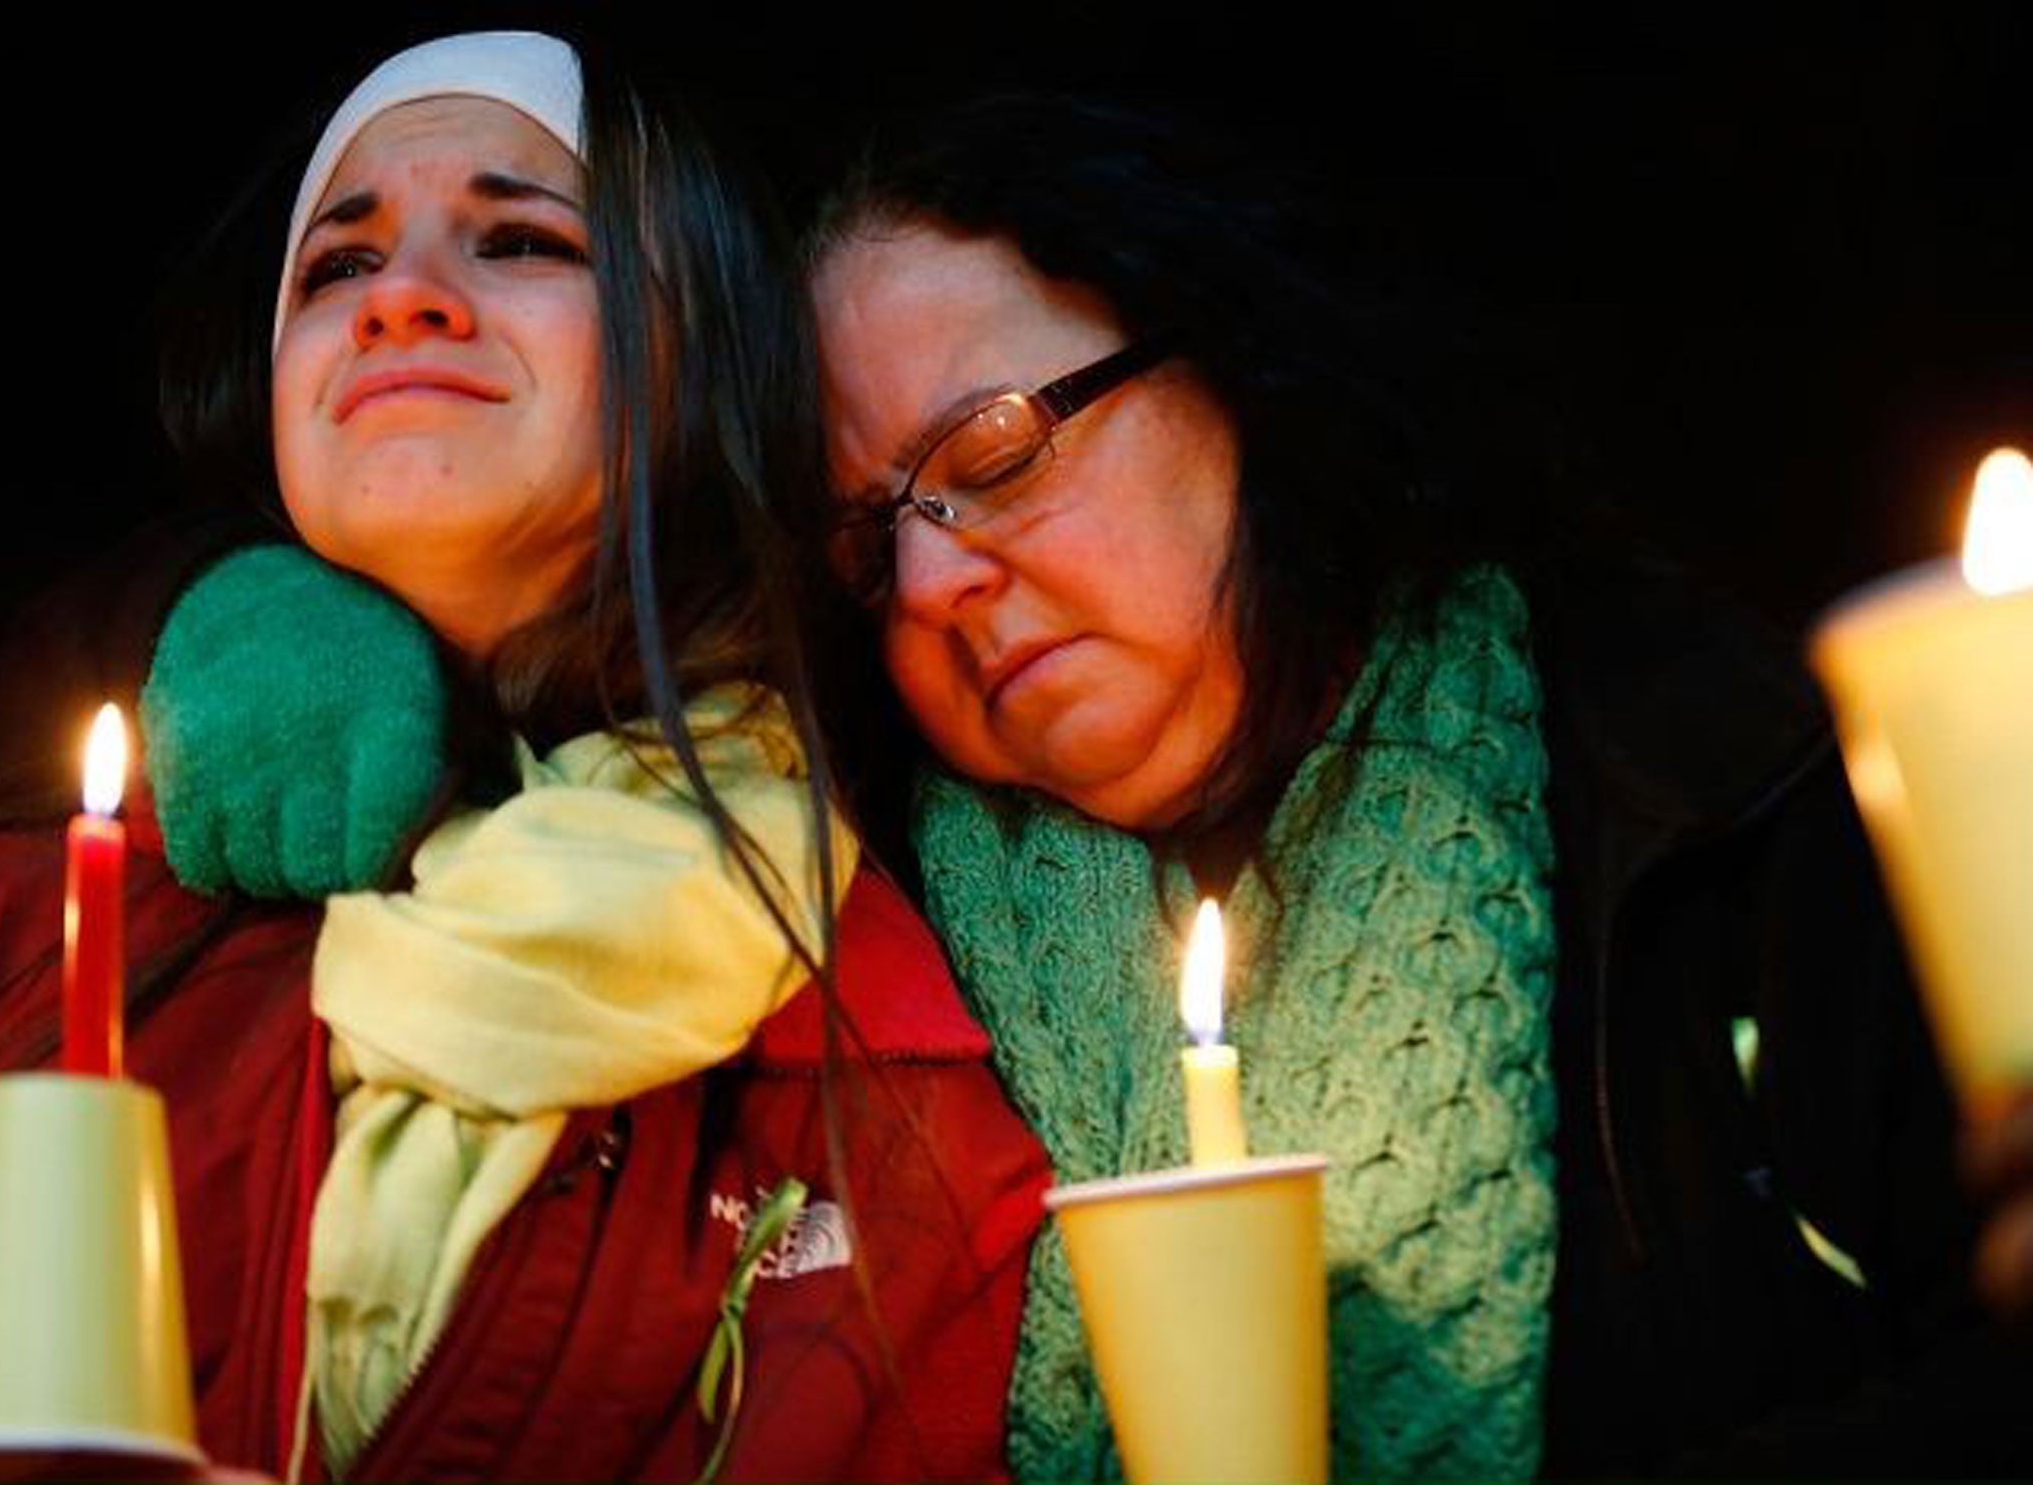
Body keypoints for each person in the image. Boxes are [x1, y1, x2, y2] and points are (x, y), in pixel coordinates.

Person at [793, 91, 2033, 1478]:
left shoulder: (1697, 782)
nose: (928, 580)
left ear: (1235, 369)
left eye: (996, 450)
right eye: (869, 543)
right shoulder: (872, 992)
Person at [0, 34, 1046, 1481]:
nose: (402, 300)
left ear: (704, 355)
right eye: (336, 268)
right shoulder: (50, 892)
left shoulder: (882, 1095)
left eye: (522, 237)